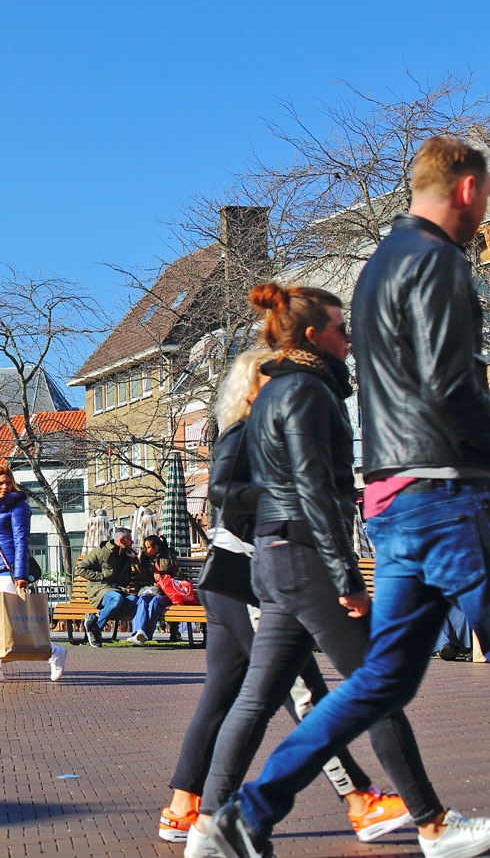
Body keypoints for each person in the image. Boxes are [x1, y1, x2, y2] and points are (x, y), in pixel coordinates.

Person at [209, 135, 490, 858]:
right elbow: (450, 384)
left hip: (392, 503)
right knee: (361, 682)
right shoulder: (439, 264)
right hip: (445, 494)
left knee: (376, 683)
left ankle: (249, 810)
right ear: (466, 189)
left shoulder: (373, 273)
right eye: (486, 197)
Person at [194, 281, 450, 858]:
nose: (349, 337)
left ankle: (212, 827)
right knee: (375, 687)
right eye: (341, 327)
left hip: (276, 562)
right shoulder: (308, 392)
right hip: (306, 559)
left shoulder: (274, 395)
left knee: (257, 701)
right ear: (313, 335)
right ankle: (433, 825)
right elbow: (312, 488)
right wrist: (347, 577)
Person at [161, 348, 407, 856]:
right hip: (251, 575)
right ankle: (360, 797)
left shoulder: (249, 429)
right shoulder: (254, 431)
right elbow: (233, 495)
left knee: (224, 695)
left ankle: (184, 807)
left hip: (228, 579)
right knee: (303, 694)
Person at [0, 466, 66, 683]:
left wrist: (20, 574)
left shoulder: (18, 508)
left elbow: (22, 540)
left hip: (9, 571)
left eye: (8, 483)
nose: (4, 487)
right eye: (0, 483)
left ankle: (53, 652)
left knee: (12, 620)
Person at [76, 527, 136, 647]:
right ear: (121, 540)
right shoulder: (102, 552)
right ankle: (96, 629)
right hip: (99, 589)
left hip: (115, 589)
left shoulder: (125, 554)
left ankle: (94, 618)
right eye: (130, 540)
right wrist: (101, 576)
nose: (132, 542)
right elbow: (80, 569)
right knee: (116, 599)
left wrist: (133, 560)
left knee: (133, 601)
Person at [129, 534, 178, 645]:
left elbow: (177, 575)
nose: (145, 550)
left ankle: (146, 635)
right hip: (152, 590)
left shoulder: (169, 557)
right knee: (142, 599)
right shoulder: (146, 560)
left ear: (156, 548)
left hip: (167, 593)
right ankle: (139, 631)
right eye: (145, 547)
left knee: (154, 602)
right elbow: (143, 576)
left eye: (148, 547)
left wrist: (162, 576)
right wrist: (135, 560)